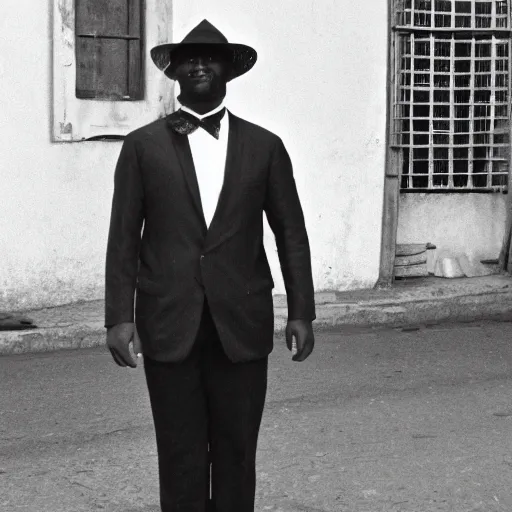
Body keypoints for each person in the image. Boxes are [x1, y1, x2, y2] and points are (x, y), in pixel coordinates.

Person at [105, 19, 316, 512]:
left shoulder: (265, 146)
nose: (198, 64)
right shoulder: (141, 146)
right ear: (175, 72)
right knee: (179, 452)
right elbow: (122, 238)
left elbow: (291, 233)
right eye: (188, 59)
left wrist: (301, 311)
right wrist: (119, 316)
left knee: (237, 449)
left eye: (209, 57)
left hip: (240, 321)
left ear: (227, 70)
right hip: (167, 320)